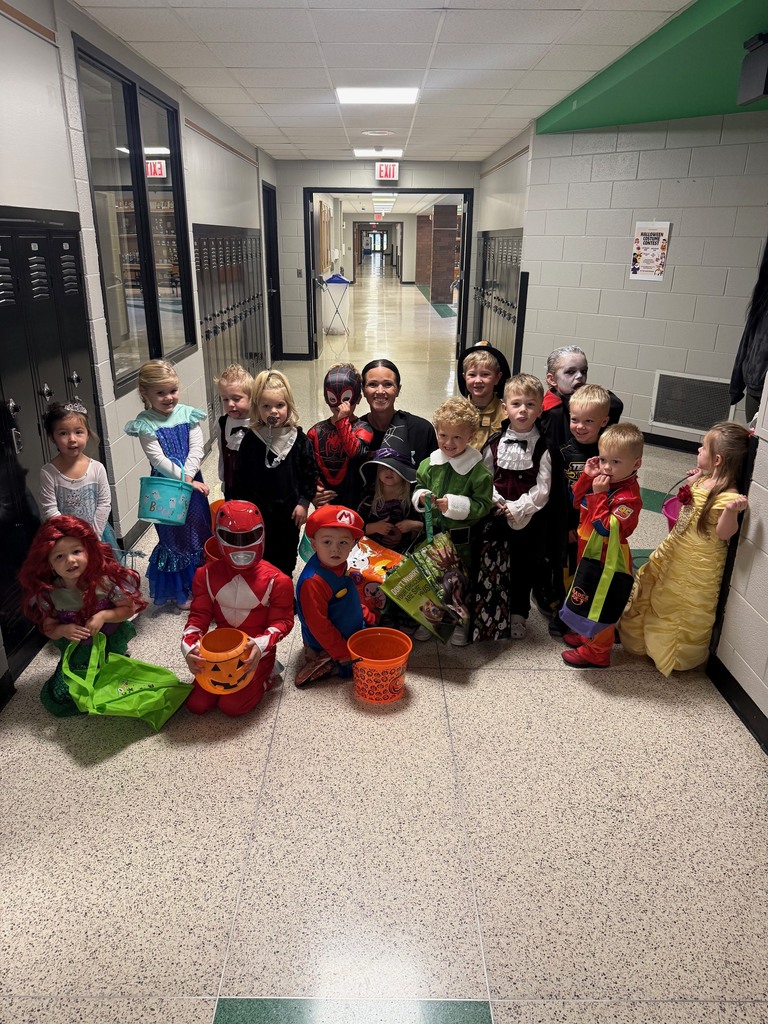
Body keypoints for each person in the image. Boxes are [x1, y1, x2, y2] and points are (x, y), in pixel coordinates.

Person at [620, 422, 750, 677]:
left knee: (680, 604)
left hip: (698, 560)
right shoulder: (704, 479)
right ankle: (646, 641)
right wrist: (695, 479)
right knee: (659, 590)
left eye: (703, 447)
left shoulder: (727, 496)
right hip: (676, 547)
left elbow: (724, 534)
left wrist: (731, 512)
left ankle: (673, 656)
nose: (698, 450)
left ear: (718, 459)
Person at [19, 516, 147, 717]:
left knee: (115, 682)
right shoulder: (51, 593)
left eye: (76, 551)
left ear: (89, 551)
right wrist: (62, 629)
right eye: (59, 557)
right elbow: (48, 627)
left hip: (109, 643)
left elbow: (127, 609)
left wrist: (104, 615)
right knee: (65, 693)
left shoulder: (105, 582)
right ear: (50, 564)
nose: (70, 560)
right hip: (76, 651)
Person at [181, 501, 294, 716]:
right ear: (218, 536)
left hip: (257, 653)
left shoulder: (278, 581)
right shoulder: (204, 575)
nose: (241, 546)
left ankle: (267, 676)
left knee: (232, 707)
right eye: (232, 538)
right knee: (196, 703)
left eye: (249, 537)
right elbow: (198, 618)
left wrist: (260, 646)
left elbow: (283, 622)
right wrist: (189, 648)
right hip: (220, 649)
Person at [471, 374, 554, 642]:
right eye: (516, 404)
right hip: (496, 514)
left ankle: (519, 613)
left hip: (529, 519)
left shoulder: (543, 446)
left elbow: (543, 488)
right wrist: (499, 501)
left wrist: (520, 507)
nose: (523, 410)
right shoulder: (495, 442)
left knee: (523, 566)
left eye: (530, 405)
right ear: (505, 408)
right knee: (494, 561)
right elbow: (485, 476)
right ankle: (491, 610)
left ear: (540, 409)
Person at [124, 360, 212, 610]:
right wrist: (186, 481)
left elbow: (196, 448)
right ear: (145, 394)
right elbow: (158, 459)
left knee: (198, 529)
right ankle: (179, 590)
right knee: (173, 535)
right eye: (160, 393)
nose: (168, 397)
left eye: (172, 390)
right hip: (165, 489)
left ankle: (200, 585)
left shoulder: (187, 413)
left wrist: (190, 479)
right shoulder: (145, 422)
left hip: (193, 483)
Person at [561, 423, 644, 669]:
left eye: (616, 462)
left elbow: (606, 528)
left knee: (603, 601)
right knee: (585, 593)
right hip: (587, 550)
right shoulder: (604, 481)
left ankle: (598, 651)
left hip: (607, 560)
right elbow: (576, 501)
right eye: (604, 459)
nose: (607, 467)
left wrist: (598, 494)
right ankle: (588, 633)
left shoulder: (628, 497)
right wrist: (587, 476)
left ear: (636, 464)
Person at [412, 397, 494, 645]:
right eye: (443, 435)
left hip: (462, 543)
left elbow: (483, 505)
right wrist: (421, 497)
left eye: (457, 437)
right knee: (428, 578)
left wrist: (456, 505)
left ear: (470, 436)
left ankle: (461, 622)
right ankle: (429, 619)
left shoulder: (478, 471)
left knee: (459, 584)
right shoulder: (429, 464)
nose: (449, 443)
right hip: (431, 537)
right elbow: (418, 486)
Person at [231, 369, 317, 579]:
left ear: (289, 405)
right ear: (257, 408)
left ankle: (284, 589)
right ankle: (262, 589)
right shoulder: (252, 439)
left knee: (286, 552)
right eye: (266, 406)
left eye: (280, 405)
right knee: (259, 551)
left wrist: (304, 503)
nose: (274, 412)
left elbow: (309, 473)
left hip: (289, 511)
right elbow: (240, 476)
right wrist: (237, 507)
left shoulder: (299, 440)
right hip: (256, 512)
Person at [549, 384, 612, 636]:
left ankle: (590, 615)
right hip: (570, 525)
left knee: (593, 572)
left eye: (589, 421)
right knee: (567, 572)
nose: (580, 427)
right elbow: (557, 496)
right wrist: (565, 526)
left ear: (604, 421)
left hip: (598, 526)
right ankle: (565, 612)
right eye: (575, 420)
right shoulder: (562, 453)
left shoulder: (608, 454)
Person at [295, 505, 374, 685]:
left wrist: (360, 610)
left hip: (349, 628)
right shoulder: (313, 581)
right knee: (354, 669)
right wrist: (341, 652)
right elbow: (318, 625)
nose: (335, 550)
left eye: (343, 543)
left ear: (353, 545)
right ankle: (322, 663)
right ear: (314, 544)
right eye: (327, 542)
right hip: (328, 643)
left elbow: (345, 593)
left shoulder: (337, 563)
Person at [40, 401, 122, 561]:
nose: (72, 439)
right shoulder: (48, 472)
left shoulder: (97, 468)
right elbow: (50, 510)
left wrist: (92, 536)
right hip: (64, 539)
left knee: (101, 576)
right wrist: (72, 539)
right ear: (52, 438)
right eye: (63, 433)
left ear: (87, 433)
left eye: (78, 432)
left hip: (96, 534)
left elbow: (104, 504)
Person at [358, 359, 437, 482]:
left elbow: (435, 477)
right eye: (372, 384)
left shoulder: (422, 430)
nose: (380, 391)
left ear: (398, 390)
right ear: (363, 390)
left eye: (387, 384)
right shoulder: (354, 432)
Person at [308, 363, 373, 510]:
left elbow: (354, 452)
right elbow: (307, 465)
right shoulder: (315, 432)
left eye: (345, 399)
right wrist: (315, 490)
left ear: (357, 398)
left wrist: (342, 421)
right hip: (325, 503)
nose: (338, 405)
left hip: (354, 500)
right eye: (333, 397)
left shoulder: (364, 428)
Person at [539, 345, 623, 451]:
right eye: (570, 372)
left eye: (583, 371)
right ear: (552, 379)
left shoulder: (606, 401)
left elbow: (616, 405)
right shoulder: (549, 410)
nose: (579, 376)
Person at [358, 434, 422, 552]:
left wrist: (413, 525)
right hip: (370, 554)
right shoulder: (369, 498)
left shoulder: (413, 498)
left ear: (403, 471)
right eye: (383, 467)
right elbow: (354, 527)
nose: (388, 472)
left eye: (394, 468)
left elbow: (430, 527)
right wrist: (374, 527)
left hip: (405, 555)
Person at [730, 235, 768, 422]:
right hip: (757, 384)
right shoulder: (764, 292)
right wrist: (736, 386)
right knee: (755, 441)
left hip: (758, 382)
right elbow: (748, 338)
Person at [457, 341, 511, 449]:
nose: (478, 380)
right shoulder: (456, 412)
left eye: (485, 374)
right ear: (464, 377)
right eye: (472, 375)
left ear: (497, 377)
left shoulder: (506, 414)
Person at [216, 363, 253, 500]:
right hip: (232, 485)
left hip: (256, 485)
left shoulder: (259, 422)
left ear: (251, 398)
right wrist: (224, 480)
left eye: (236, 399)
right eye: (225, 399)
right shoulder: (222, 423)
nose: (230, 404)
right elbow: (222, 453)